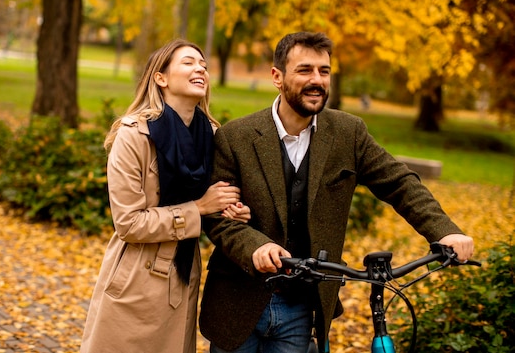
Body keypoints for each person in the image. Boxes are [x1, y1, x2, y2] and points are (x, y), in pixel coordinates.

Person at [199, 31, 474, 353]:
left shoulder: (348, 132)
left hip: (303, 305)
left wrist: (445, 231)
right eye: (304, 70)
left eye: (324, 71)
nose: (317, 80)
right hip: (238, 298)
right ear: (277, 76)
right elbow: (218, 217)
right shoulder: (237, 136)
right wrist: (256, 246)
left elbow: (399, 182)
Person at [80, 39, 250, 353]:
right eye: (188, 62)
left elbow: (212, 203)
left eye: (203, 64)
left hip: (182, 276)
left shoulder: (214, 137)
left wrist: (228, 211)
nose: (200, 68)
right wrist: (199, 208)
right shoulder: (134, 136)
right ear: (161, 78)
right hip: (135, 276)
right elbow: (128, 223)